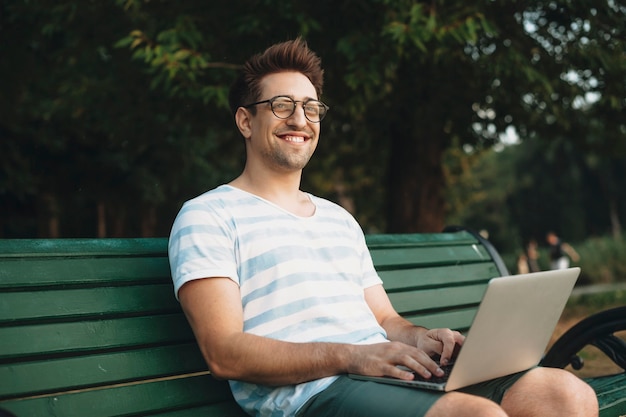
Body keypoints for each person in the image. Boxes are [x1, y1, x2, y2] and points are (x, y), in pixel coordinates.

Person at [168, 38, 598, 417]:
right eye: (282, 105)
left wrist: (421, 339)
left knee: (565, 395)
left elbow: (386, 319)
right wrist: (353, 357)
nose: (300, 119)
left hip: (388, 372)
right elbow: (224, 353)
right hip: (314, 395)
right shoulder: (208, 216)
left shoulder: (339, 219)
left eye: (311, 107)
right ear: (245, 121)